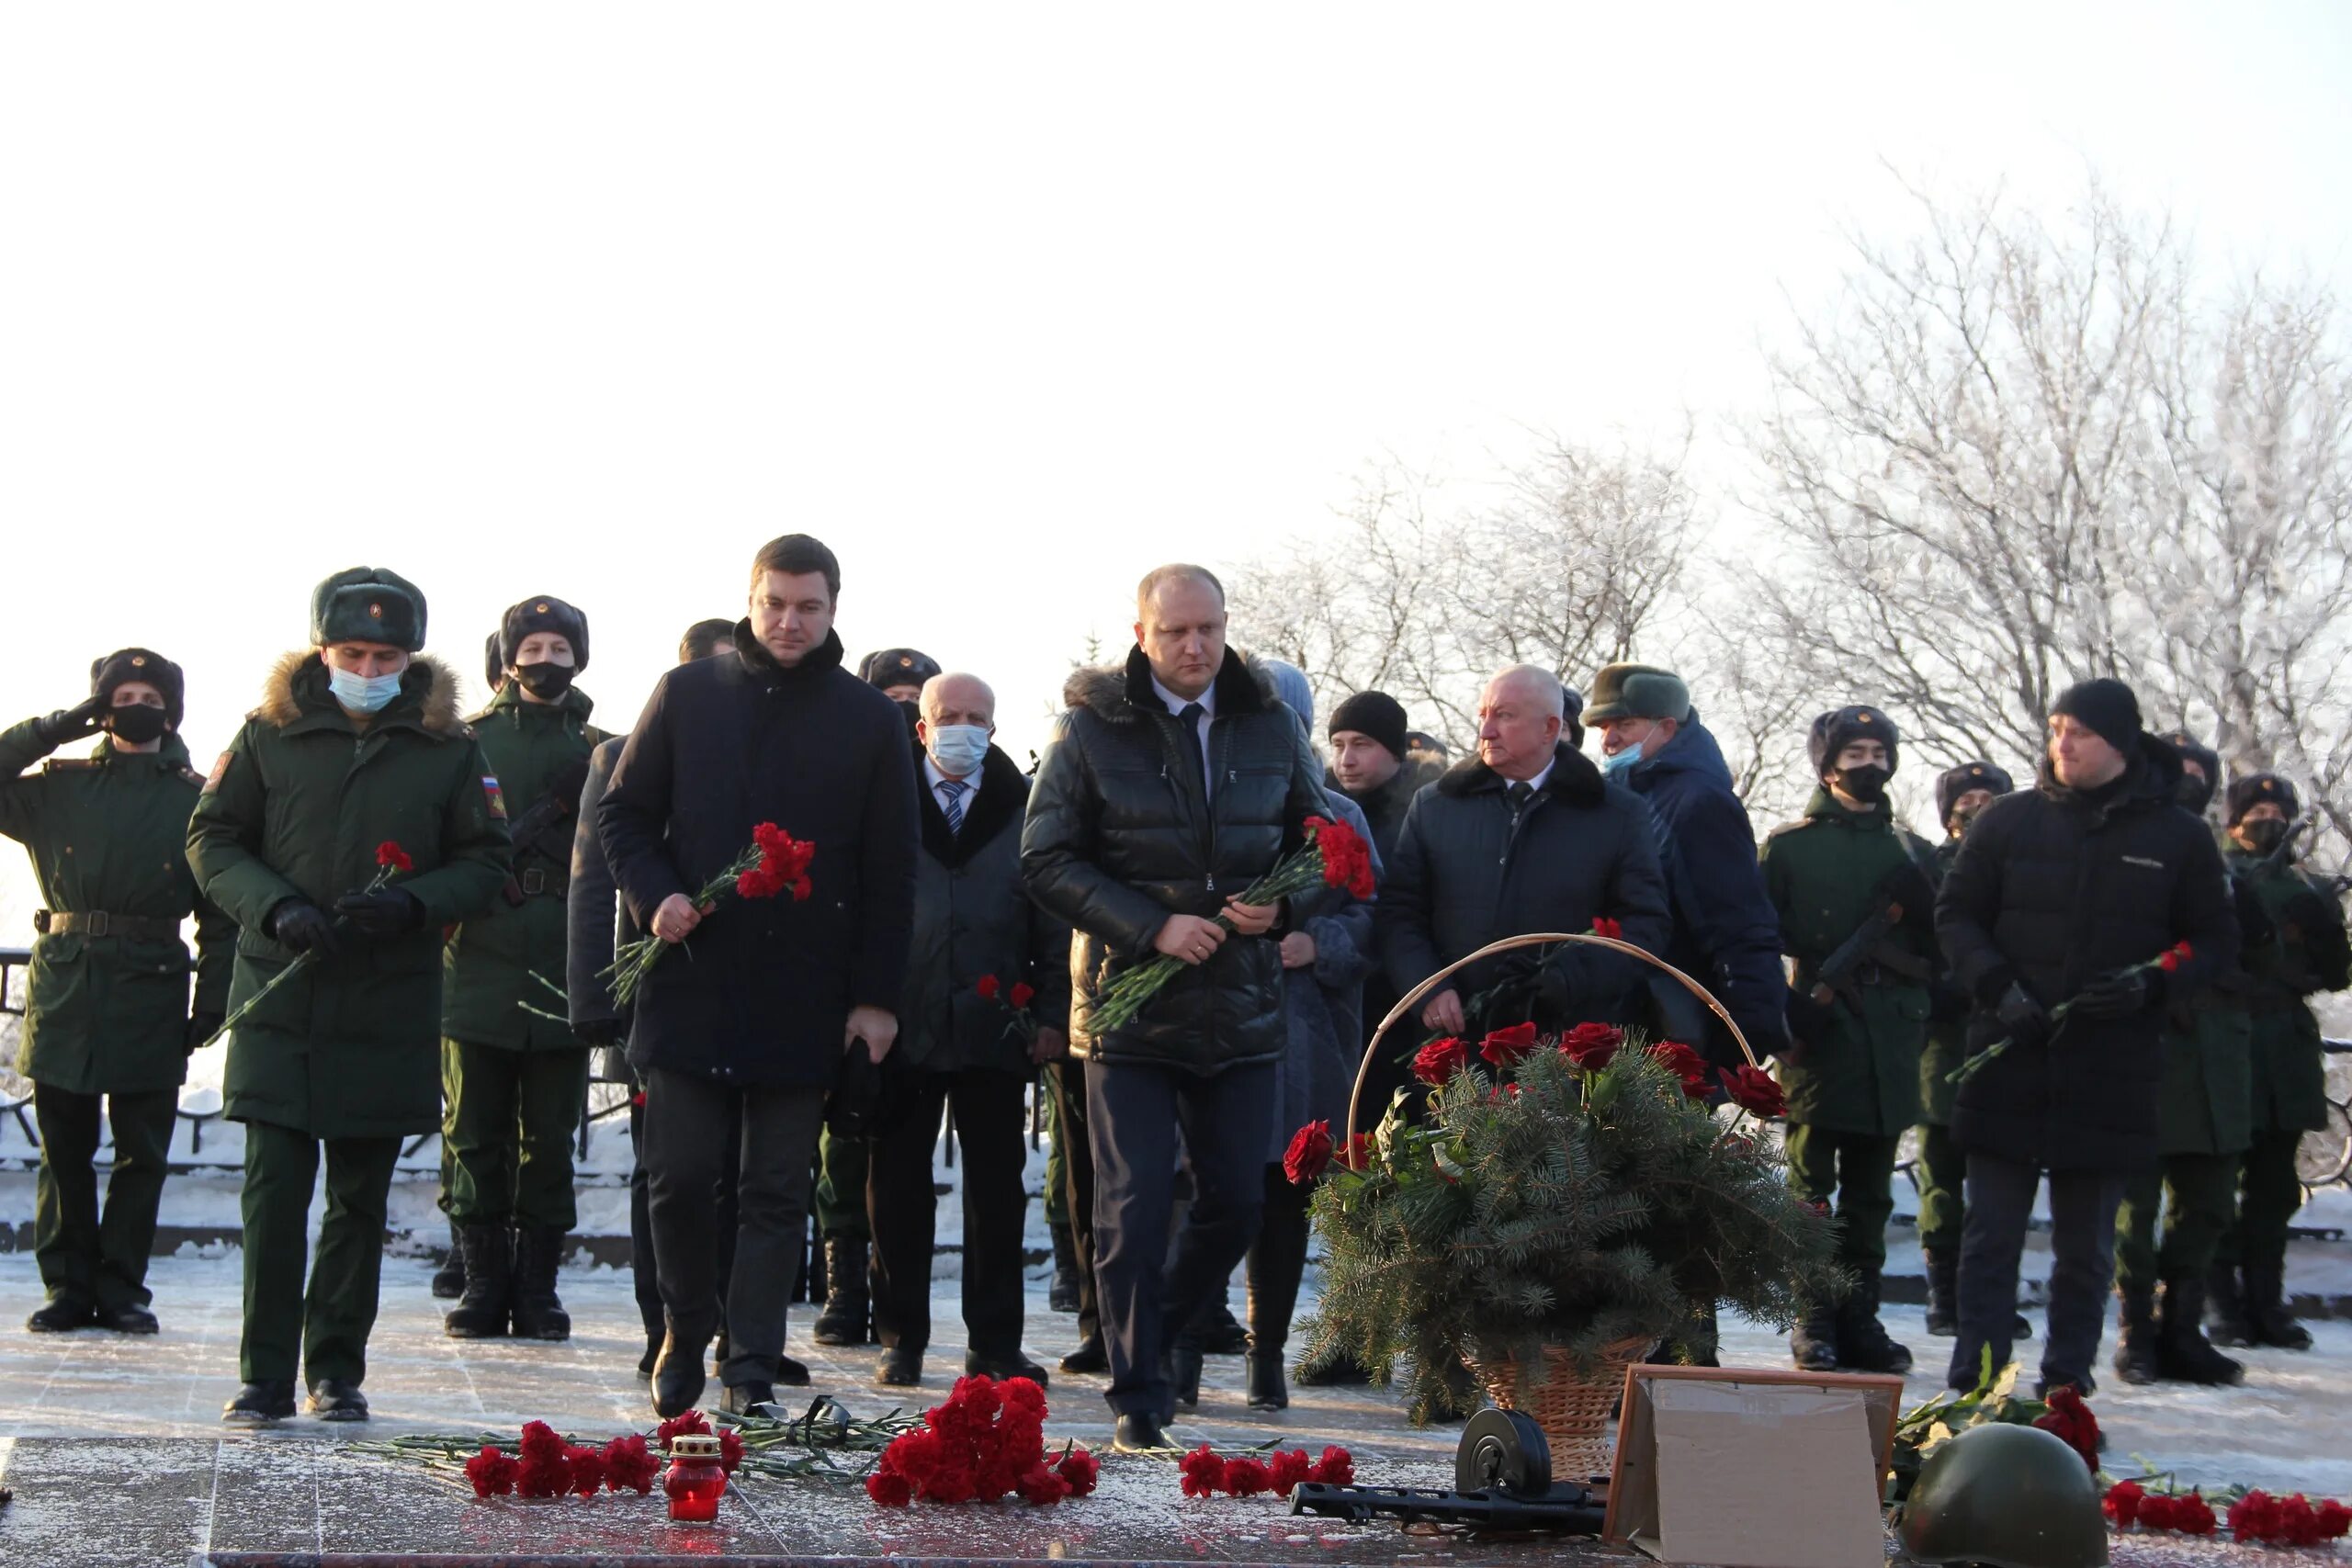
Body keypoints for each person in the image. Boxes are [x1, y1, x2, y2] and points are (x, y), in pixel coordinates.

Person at [599, 534, 918, 1419]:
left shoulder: (869, 719)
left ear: (832, 611)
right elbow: (623, 813)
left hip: (805, 989)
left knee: (778, 1188)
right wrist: (655, 894)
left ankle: (751, 1362)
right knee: (679, 1173)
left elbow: (894, 871)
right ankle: (682, 1328)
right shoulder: (687, 693)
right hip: (691, 976)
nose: (789, 622)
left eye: (808, 607)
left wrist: (875, 999)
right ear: (750, 599)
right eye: (775, 603)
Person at [189, 568, 512, 1423]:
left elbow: (486, 860)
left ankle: (336, 1368)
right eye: (353, 651)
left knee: (358, 1201)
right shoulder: (268, 733)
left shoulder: (450, 749)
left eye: (387, 654)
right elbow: (213, 838)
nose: (369, 667)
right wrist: (278, 905)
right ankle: (262, 1374)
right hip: (282, 996)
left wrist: (412, 902)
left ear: (411, 658)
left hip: (384, 999)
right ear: (322, 648)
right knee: (273, 1193)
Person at [1021, 563, 1331, 1451]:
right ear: (1142, 634)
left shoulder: (1270, 724)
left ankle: (1148, 1333)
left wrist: (1285, 909)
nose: (1194, 648)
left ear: (1226, 626)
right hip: (1130, 1010)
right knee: (1132, 1205)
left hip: (1241, 1012)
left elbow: (1323, 840)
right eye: (1175, 632)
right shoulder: (1090, 729)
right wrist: (1152, 925)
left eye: (1208, 629)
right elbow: (1043, 861)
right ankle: (1140, 1394)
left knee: (1235, 1200)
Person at [1935, 678, 2237, 1398]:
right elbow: (1955, 915)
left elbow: (2215, 939)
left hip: (2112, 1066)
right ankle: (1974, 1386)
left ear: (2121, 742)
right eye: (2057, 728)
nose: (2062, 743)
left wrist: (2150, 985)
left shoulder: (2180, 836)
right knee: (1990, 1237)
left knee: (2085, 1248)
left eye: (2080, 732)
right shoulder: (2007, 821)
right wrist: (1999, 989)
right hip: (2009, 1057)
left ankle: (2067, 1389)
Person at [4, 650, 232, 1336]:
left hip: (152, 983)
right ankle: (68, 1286)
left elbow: (219, 915)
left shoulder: (197, 798)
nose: (137, 704)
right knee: (63, 1148)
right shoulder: (59, 787)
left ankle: (124, 1285)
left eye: (150, 694)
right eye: (121, 694)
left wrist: (211, 1000)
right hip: (67, 983)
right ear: (99, 707)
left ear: (172, 708)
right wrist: (54, 727)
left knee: (143, 1151)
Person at [868, 671, 1069, 1388]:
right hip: (902, 1025)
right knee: (895, 1187)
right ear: (921, 727)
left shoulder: (1025, 805)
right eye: (947, 714)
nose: (962, 727)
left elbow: (1052, 914)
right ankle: (901, 1336)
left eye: (975, 716)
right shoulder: (886, 798)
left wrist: (1048, 1013)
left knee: (996, 1190)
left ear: (993, 725)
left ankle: (995, 1342)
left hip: (995, 1022)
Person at [570, 616, 739, 1381]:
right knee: (665, 1169)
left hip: (743, 996)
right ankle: (662, 1324)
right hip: (655, 992)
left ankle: (736, 1327)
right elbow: (590, 884)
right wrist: (595, 999)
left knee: (740, 1169)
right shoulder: (620, 756)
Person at [438, 596, 605, 1342]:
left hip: (567, 961)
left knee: (550, 1133)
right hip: (476, 958)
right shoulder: (461, 744)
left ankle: (538, 1287)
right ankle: (481, 1283)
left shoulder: (604, 748)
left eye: (560, 648)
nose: (547, 659)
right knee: (473, 1130)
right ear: (508, 658)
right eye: (533, 646)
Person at [1761, 705, 1939, 1375]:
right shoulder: (1788, 846)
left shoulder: (1912, 850)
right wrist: (1781, 1013)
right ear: (1828, 764)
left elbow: (1945, 950)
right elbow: (1751, 941)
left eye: (1879, 751)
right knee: (1811, 1186)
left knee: (1872, 1191)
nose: (1871, 764)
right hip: (1820, 1031)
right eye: (1855, 752)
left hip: (1892, 1037)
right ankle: (1814, 1315)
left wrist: (1930, 912)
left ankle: (1860, 1316)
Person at [1376, 664, 1670, 1043]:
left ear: (1550, 728)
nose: (1486, 730)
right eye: (1483, 715)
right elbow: (1399, 913)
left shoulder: (1615, 814)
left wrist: (1569, 977)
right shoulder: (1436, 805)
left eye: (1504, 715)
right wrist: (1428, 989)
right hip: (1457, 1046)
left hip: (1569, 1048)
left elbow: (1645, 925)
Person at [1234, 660, 1377, 1412]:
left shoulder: (1340, 817)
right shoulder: (1213, 802)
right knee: (1214, 1193)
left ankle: (1267, 1353)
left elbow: (1368, 913)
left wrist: (1319, 942)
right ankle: (1185, 1343)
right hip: (1217, 1027)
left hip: (1304, 1034)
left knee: (1284, 1197)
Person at [2108, 734, 2250, 1386]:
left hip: (2217, 1054)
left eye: (2201, 775)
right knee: (2136, 1208)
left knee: (2210, 1199)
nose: (2189, 784)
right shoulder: (2126, 853)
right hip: (2149, 1048)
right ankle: (2138, 1330)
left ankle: (2181, 1325)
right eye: (2180, 773)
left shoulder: (2230, 869)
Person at [813, 643, 942, 1349]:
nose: (901, 708)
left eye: (912, 698)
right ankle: (843, 1287)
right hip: (848, 983)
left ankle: (885, 1288)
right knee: (843, 1144)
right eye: (888, 695)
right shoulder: (846, 769)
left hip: (921, 998)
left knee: (898, 1163)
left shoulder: (952, 777)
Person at [1586, 662, 1790, 1066]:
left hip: (1677, 1028)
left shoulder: (1698, 803)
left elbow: (1738, 919)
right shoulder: (1617, 800)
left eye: (1623, 724)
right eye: (1603, 728)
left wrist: (1748, 1024)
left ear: (1666, 727)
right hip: (1625, 1016)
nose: (1609, 740)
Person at [2211, 773, 2350, 1353]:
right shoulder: (2211, 877)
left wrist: (2319, 928)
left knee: (2275, 1189)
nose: (2268, 819)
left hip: (2284, 1047)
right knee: (2217, 1186)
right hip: (2228, 1040)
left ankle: (2267, 1302)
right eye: (2257, 809)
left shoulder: (2306, 887)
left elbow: (2337, 974)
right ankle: (2220, 1303)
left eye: (2277, 809)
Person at [1916, 761, 2022, 1341]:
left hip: (2008, 1037)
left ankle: (1988, 1296)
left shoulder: (2027, 872)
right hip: (1946, 1042)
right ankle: (1945, 1294)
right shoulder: (1925, 868)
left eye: (1989, 796)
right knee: (1941, 1174)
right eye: (1967, 797)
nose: (1976, 805)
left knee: (1999, 1181)